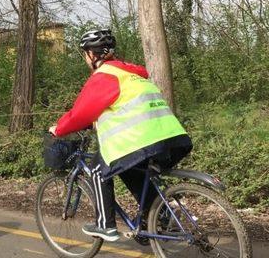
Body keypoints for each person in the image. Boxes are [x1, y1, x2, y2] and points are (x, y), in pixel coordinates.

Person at [48, 29, 192, 242]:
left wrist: (58, 129)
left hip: (140, 140)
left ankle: (105, 226)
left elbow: (79, 113)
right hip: (172, 138)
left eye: (85, 53)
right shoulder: (131, 74)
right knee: (130, 170)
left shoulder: (104, 76)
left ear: (93, 54)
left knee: (98, 170)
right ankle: (159, 216)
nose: (85, 59)